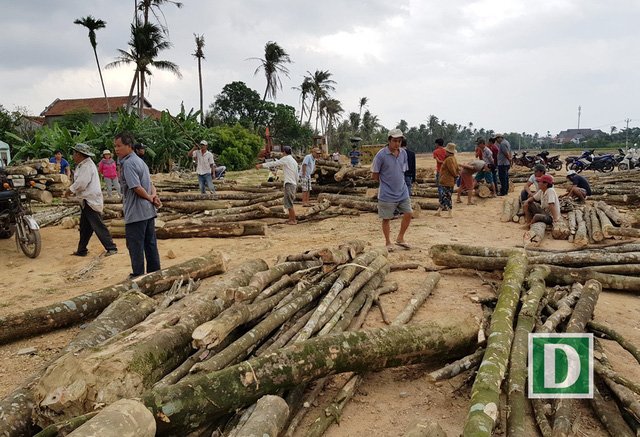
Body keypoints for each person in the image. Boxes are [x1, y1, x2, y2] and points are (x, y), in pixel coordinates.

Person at [114, 132, 161, 278]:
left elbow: (136, 187)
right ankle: (155, 273)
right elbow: (151, 184)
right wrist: (153, 197)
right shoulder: (141, 161)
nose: (116, 149)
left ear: (129, 146)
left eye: (119, 146)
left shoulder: (128, 163)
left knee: (135, 246)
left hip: (136, 213)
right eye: (115, 146)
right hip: (148, 211)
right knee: (150, 244)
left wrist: (148, 197)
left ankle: (138, 276)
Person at [63, 143, 117, 257]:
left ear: (79, 154)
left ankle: (111, 248)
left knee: (98, 225)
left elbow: (81, 183)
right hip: (86, 200)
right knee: (85, 227)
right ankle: (82, 250)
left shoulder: (87, 166)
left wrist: (69, 190)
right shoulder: (83, 165)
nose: (73, 156)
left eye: (74, 153)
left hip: (90, 200)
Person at [371, 129, 412, 251]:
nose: (397, 143)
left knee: (409, 213)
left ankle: (400, 238)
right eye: (394, 141)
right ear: (389, 140)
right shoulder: (381, 155)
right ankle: (388, 242)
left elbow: (403, 170)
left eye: (399, 141)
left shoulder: (403, 153)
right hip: (387, 193)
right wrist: (385, 183)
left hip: (402, 190)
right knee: (386, 218)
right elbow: (375, 175)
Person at [256, 146, 298, 225]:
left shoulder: (286, 159)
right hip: (293, 183)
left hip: (289, 183)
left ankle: (293, 220)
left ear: (284, 152)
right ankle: (291, 219)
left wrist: (261, 165)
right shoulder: (293, 161)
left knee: (289, 203)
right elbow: (296, 175)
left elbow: (274, 163)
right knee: (289, 202)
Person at [437, 143, 459, 218]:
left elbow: (452, 170)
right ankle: (439, 211)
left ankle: (450, 213)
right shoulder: (453, 158)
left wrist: (455, 175)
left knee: (447, 197)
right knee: (444, 197)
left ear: (448, 152)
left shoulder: (449, 159)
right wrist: (456, 176)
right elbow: (456, 169)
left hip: (446, 181)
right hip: (449, 181)